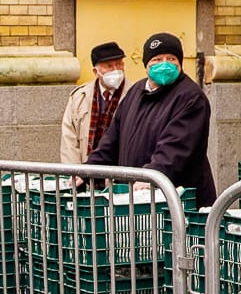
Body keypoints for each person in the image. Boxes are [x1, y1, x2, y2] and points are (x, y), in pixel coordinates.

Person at [87, 32, 216, 207]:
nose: (164, 64)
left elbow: (176, 147)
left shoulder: (191, 98)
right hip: (139, 201)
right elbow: (112, 141)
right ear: (146, 65)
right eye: (157, 59)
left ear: (180, 63)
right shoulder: (136, 92)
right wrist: (86, 170)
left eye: (171, 59)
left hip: (179, 204)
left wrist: (152, 174)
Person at [60, 42, 126, 164]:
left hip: (120, 172)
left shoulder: (134, 94)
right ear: (96, 72)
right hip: (86, 170)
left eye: (119, 64)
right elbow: (69, 138)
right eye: (109, 66)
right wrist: (75, 173)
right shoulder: (79, 96)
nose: (116, 70)